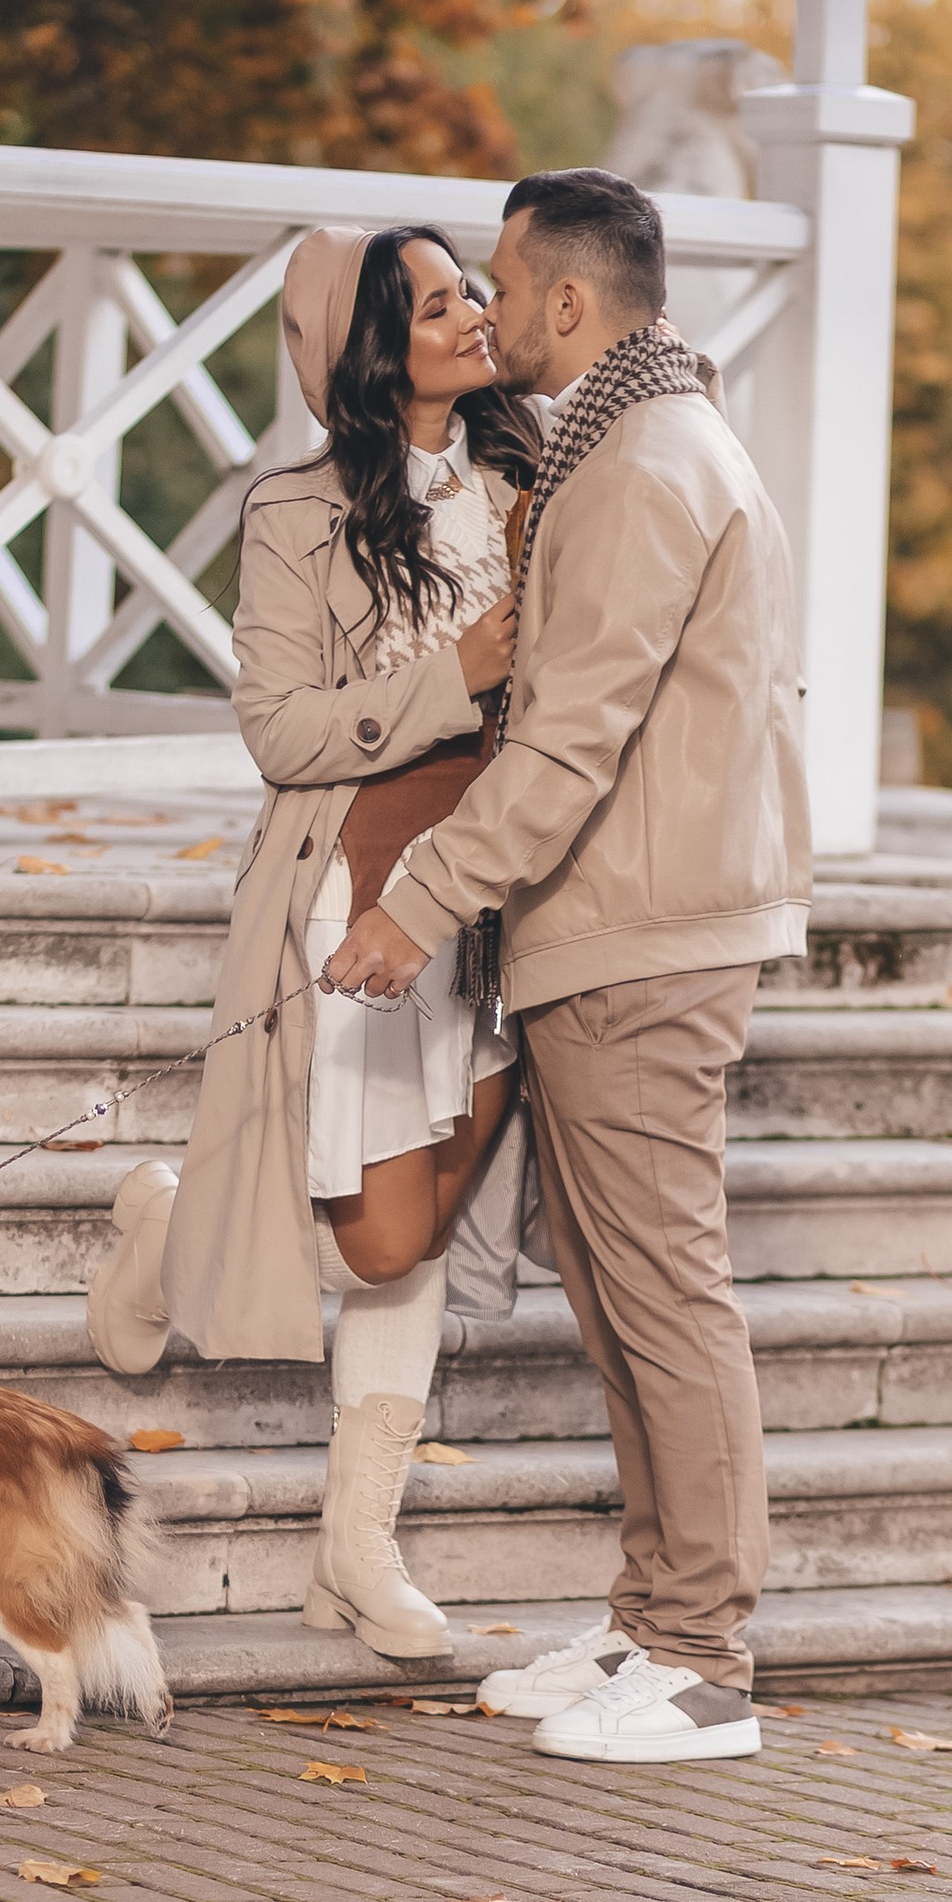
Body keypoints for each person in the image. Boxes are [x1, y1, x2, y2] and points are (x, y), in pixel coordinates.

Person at [321, 166, 812, 1765]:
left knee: (663, 1291)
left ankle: (703, 1658)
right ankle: (653, 1613)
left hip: (646, 931)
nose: (492, 305)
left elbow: (576, 730)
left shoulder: (645, 465)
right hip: (614, 922)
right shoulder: (629, 446)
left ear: (572, 305)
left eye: (510, 282)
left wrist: (422, 894)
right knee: (616, 1292)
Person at [84, 226, 541, 1655]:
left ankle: (356, 1550)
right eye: (440, 299)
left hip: (503, 912)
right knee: (389, 1232)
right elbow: (280, 731)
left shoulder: (530, 478)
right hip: (362, 904)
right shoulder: (298, 509)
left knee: (420, 1243)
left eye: (476, 285)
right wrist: (452, 673)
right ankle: (171, 1232)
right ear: (367, 346)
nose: (476, 309)